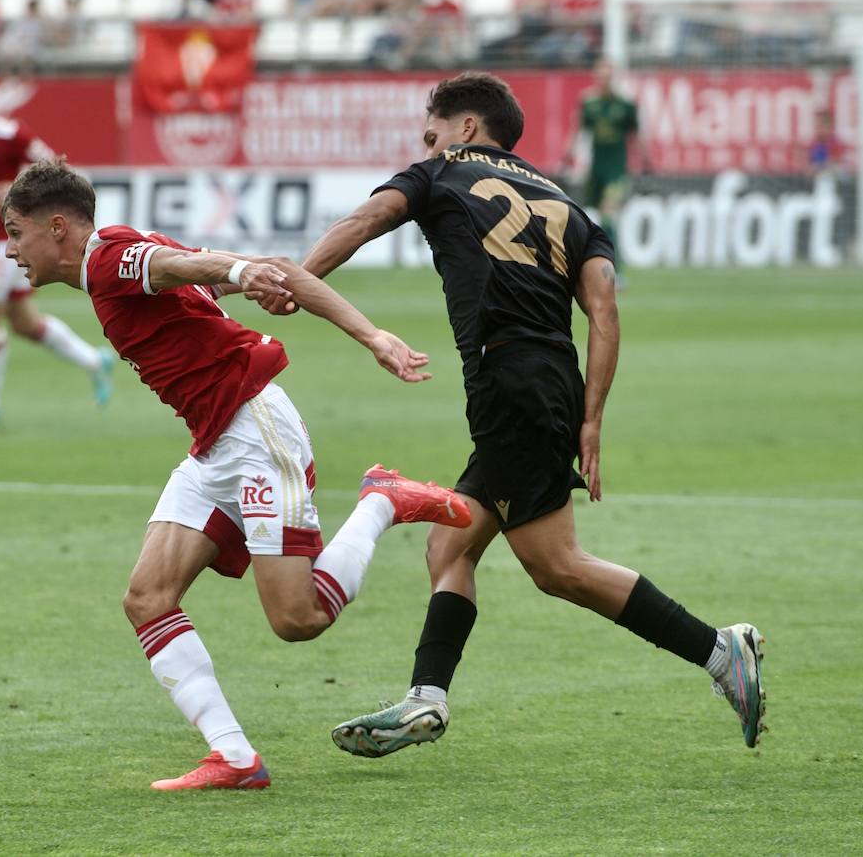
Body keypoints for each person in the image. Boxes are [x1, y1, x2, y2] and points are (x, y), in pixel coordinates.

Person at [259, 71, 765, 757]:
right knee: (451, 544)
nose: (424, 142)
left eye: (431, 130)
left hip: (507, 382)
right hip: (551, 382)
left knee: (557, 566)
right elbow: (605, 309)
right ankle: (425, 697)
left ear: (466, 128)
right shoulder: (569, 205)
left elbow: (362, 221)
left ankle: (718, 650)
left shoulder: (438, 172)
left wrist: (301, 280)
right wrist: (591, 419)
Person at [0, 158, 473, 790]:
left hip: (255, 432)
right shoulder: (123, 258)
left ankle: (382, 501)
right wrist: (364, 331)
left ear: (57, 227)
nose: (9, 250)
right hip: (215, 443)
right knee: (147, 598)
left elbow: (197, 267)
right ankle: (235, 758)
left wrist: (243, 272)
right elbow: (265, 275)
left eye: (15, 231)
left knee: (297, 619)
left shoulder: (112, 260)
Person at [0, 74, 114, 429]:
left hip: (15, 241)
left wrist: (18, 190)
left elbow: (56, 169)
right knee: (25, 324)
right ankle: (94, 361)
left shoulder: (11, 135)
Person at [562, 60, 646, 285]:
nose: (604, 81)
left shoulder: (626, 105)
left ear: (614, 78)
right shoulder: (589, 103)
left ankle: (616, 272)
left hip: (616, 171)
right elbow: (577, 129)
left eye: (608, 76)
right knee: (591, 218)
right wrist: (569, 151)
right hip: (595, 171)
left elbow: (636, 136)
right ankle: (588, 267)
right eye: (601, 76)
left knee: (609, 217)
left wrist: (645, 162)